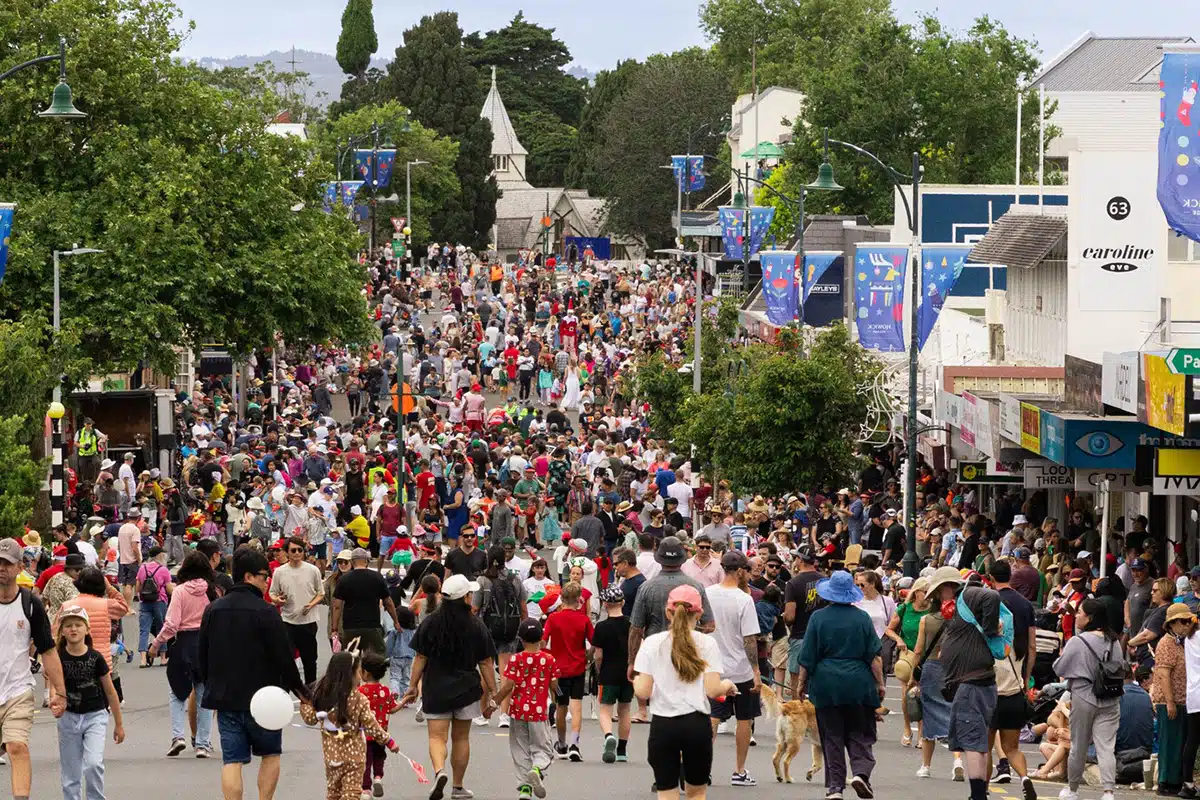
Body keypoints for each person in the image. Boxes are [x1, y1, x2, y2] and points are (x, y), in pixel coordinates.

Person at [198, 547, 310, 800]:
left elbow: (202, 654)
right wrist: (302, 692)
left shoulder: (213, 610)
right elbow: (284, 658)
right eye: (263, 575)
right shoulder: (266, 611)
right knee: (270, 754)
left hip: (226, 697)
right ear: (248, 576)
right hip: (265, 699)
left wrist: (211, 686)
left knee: (232, 760)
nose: (267, 581)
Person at [400, 574, 498, 800]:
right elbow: (485, 662)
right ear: (465, 598)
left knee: (437, 737)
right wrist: (494, 691)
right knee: (461, 738)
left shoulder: (431, 622)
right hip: (467, 688)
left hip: (435, 687)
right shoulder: (476, 624)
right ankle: (458, 786)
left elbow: (420, 657)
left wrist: (413, 686)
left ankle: (439, 771)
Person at [633, 584, 731, 800]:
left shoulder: (652, 643)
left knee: (667, 791)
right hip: (696, 724)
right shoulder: (707, 643)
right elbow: (713, 689)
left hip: (663, 725)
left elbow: (644, 691)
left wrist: (636, 681)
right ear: (699, 614)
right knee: (697, 792)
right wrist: (728, 686)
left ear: (668, 613)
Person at [795, 569, 883, 800]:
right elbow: (874, 657)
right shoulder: (862, 618)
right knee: (860, 732)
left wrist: (801, 683)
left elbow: (807, 656)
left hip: (826, 682)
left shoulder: (818, 618)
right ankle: (861, 773)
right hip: (858, 682)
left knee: (831, 735)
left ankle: (835, 787)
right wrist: (880, 684)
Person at [0, 537, 66, 800]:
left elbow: (48, 650)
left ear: (20, 567)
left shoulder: (30, 604)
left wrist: (60, 692)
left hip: (17, 691)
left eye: (8, 563)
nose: (2, 568)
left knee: (17, 746)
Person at [299, 651, 399, 800]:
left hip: (332, 757)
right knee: (352, 793)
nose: (360, 676)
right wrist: (388, 741)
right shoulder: (358, 699)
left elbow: (310, 718)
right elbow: (371, 725)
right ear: (350, 675)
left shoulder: (322, 696)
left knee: (333, 793)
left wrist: (305, 704)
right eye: (358, 672)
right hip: (354, 757)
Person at [1053, 597, 1122, 800]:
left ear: (1090, 617)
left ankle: (1072, 789)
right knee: (1106, 747)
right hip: (1110, 697)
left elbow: (1059, 668)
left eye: (1080, 612)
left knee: (1079, 745)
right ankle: (1108, 791)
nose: (1076, 616)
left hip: (1083, 695)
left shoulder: (1078, 641)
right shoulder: (1114, 641)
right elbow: (1120, 666)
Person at [54, 603, 125, 800]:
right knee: (71, 772)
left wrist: (119, 724)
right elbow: (54, 684)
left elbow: (110, 692)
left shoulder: (96, 657)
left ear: (87, 629)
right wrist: (55, 700)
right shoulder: (58, 658)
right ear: (62, 631)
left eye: (78, 625)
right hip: (68, 718)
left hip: (95, 716)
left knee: (93, 764)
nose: (73, 629)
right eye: (68, 625)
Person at [704, 550, 761, 786]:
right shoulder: (744, 599)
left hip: (714, 668)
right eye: (746, 570)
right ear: (738, 571)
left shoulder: (707, 593)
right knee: (744, 719)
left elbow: (701, 627)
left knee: (713, 717)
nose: (748, 574)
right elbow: (749, 639)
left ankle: (702, 769)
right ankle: (740, 770)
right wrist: (756, 671)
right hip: (741, 670)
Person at [151, 551, 216, 757]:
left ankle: (178, 737)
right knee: (204, 696)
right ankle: (203, 744)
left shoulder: (179, 591)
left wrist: (156, 644)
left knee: (177, 692)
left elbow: (172, 624)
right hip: (205, 645)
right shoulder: (211, 591)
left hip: (183, 644)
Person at [628, 537, 715, 680]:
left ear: (659, 558)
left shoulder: (646, 588)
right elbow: (710, 625)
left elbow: (636, 629)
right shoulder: (696, 586)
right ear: (682, 558)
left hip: (656, 654)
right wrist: (691, 634)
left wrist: (632, 662)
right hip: (688, 655)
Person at [987, 560, 1036, 799]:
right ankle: (1025, 778)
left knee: (985, 748)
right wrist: (1026, 679)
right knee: (1012, 747)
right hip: (1016, 690)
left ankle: (981, 790)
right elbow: (1032, 646)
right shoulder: (1025, 605)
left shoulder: (989, 602)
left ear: (990, 578)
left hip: (990, 691)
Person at [493, 617, 557, 800]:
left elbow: (508, 685)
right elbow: (554, 685)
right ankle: (537, 769)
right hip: (539, 711)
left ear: (520, 639)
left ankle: (525, 789)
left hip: (518, 710)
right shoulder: (548, 659)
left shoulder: (516, 659)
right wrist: (556, 701)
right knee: (544, 748)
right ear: (541, 638)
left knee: (520, 749)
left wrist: (494, 703)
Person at [913, 567, 964, 780]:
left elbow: (918, 650)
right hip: (957, 668)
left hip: (932, 667)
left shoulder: (927, 619)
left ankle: (926, 766)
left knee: (929, 716)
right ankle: (957, 760)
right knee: (954, 714)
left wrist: (913, 676)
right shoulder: (964, 618)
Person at [475, 546, 528, 728]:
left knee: (486, 669)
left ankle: (483, 713)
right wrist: (524, 629)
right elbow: (523, 608)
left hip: (487, 630)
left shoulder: (483, 580)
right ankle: (504, 715)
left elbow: (475, 608)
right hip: (510, 630)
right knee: (506, 673)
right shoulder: (514, 579)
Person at [543, 581, 593, 761]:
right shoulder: (584, 619)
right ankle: (574, 743)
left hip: (558, 670)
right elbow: (593, 642)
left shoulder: (553, 618)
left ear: (561, 599)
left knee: (561, 706)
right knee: (577, 706)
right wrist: (588, 657)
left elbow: (543, 641)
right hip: (578, 667)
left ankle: (562, 743)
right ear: (579, 600)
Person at [268, 536, 324, 684]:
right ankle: (286, 691)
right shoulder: (279, 572)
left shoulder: (313, 570)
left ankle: (310, 692)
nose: (297, 553)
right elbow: (272, 593)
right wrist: (277, 600)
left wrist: (311, 605)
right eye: (293, 550)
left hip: (309, 622)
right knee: (286, 662)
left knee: (310, 662)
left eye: (300, 550)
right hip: (287, 621)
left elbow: (321, 593)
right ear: (287, 552)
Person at [1152, 603, 1194, 795]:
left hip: (1183, 701)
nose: (1187, 625)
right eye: (1183, 621)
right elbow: (1163, 674)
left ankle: (1176, 781)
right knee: (1170, 743)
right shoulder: (1166, 643)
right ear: (1172, 623)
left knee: (1179, 743)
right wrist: (1170, 702)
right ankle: (1166, 782)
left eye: (1188, 621)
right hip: (1170, 701)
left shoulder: (1182, 642)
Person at [332, 548, 402, 656]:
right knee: (377, 657)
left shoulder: (344, 579)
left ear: (352, 562)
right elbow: (388, 602)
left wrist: (335, 628)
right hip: (372, 625)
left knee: (351, 658)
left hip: (350, 626)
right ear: (366, 561)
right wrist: (396, 621)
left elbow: (337, 606)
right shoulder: (377, 577)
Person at [592, 586, 633, 764]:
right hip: (628, 674)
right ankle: (622, 750)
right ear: (622, 602)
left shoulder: (601, 627)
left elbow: (598, 655)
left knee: (605, 709)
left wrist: (598, 669)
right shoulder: (631, 625)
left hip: (608, 673)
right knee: (625, 710)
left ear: (604, 604)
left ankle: (609, 735)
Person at [358, 651, 401, 799]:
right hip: (381, 734)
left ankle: (365, 790)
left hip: (364, 735)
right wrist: (404, 701)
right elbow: (392, 709)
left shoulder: (360, 691)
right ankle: (378, 777)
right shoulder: (385, 690)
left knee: (366, 761)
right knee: (379, 756)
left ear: (366, 673)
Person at [784, 546, 824, 699]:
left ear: (800, 560)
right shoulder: (825, 581)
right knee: (819, 678)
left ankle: (799, 709)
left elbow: (790, 616)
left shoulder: (793, 583)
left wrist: (784, 618)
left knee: (796, 679)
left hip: (800, 636)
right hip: (822, 637)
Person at [136, 546, 173, 667]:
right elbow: (169, 589)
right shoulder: (163, 570)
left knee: (144, 630)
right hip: (159, 601)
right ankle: (163, 658)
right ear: (160, 556)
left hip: (145, 602)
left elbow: (138, 588)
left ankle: (142, 659)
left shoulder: (142, 568)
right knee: (161, 629)